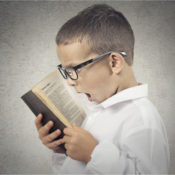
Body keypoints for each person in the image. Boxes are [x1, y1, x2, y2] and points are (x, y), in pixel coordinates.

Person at [35, 4, 169, 174]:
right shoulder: (98, 110)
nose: (69, 82)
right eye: (65, 72)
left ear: (114, 63)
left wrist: (93, 154)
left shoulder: (142, 119)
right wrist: (62, 150)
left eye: (74, 70)